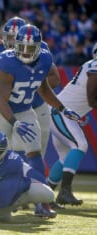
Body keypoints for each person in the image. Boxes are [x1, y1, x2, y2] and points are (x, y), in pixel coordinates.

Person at [0, 24, 82, 217]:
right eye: (22, 47)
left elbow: (44, 89)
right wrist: (15, 122)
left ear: (39, 48)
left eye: (31, 48)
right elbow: (2, 98)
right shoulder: (7, 61)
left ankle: (42, 202)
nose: (26, 52)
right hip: (1, 110)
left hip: (24, 108)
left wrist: (63, 108)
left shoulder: (45, 59)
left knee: (35, 151)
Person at [47, 42, 97, 206]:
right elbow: (91, 98)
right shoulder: (95, 66)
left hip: (62, 113)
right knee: (80, 144)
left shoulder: (90, 64)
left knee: (64, 158)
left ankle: (44, 195)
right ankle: (65, 191)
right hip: (61, 112)